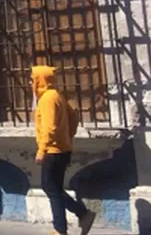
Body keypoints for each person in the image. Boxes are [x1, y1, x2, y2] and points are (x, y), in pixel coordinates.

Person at [32, 65, 96, 235]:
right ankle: (82, 215)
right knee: (55, 189)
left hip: (52, 151)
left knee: (51, 189)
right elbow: (73, 117)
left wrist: (42, 149)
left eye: (34, 78)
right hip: (62, 149)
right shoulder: (57, 95)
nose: (31, 82)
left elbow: (50, 128)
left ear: (41, 79)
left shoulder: (47, 99)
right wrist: (68, 137)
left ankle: (61, 229)